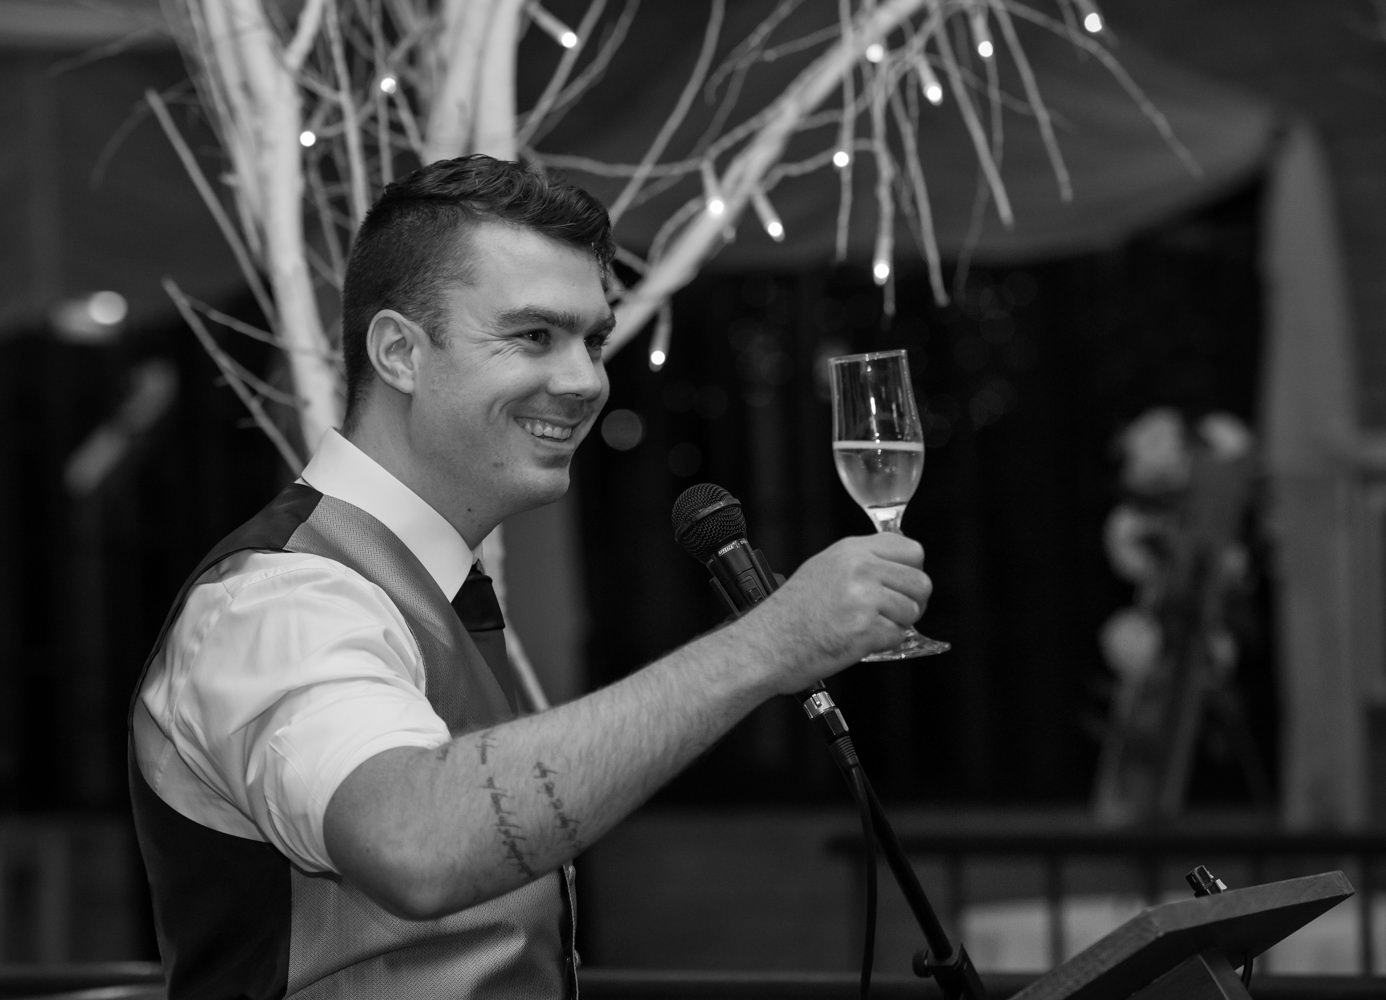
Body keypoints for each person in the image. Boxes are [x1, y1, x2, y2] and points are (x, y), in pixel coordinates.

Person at [128, 154, 932, 999]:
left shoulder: (426, 585)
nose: (586, 380)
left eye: (594, 340)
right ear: (400, 351)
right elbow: (414, 845)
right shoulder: (279, 598)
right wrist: (765, 645)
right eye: (532, 336)